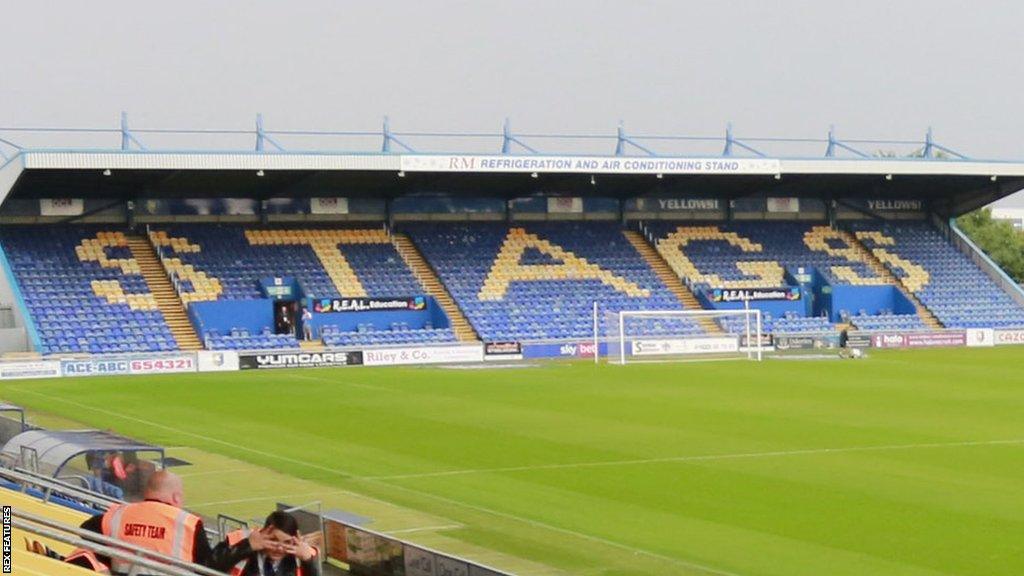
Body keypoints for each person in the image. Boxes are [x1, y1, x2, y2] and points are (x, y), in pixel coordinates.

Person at [77, 470, 274, 575]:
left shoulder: (118, 514)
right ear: (177, 497)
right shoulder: (188, 523)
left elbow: (85, 532)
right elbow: (208, 567)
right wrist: (247, 545)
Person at [216, 511, 321, 576]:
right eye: (273, 540)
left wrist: (308, 562)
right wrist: (246, 546)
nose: (279, 548)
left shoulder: (302, 556)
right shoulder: (243, 544)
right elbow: (210, 567)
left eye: (287, 542)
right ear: (263, 533)